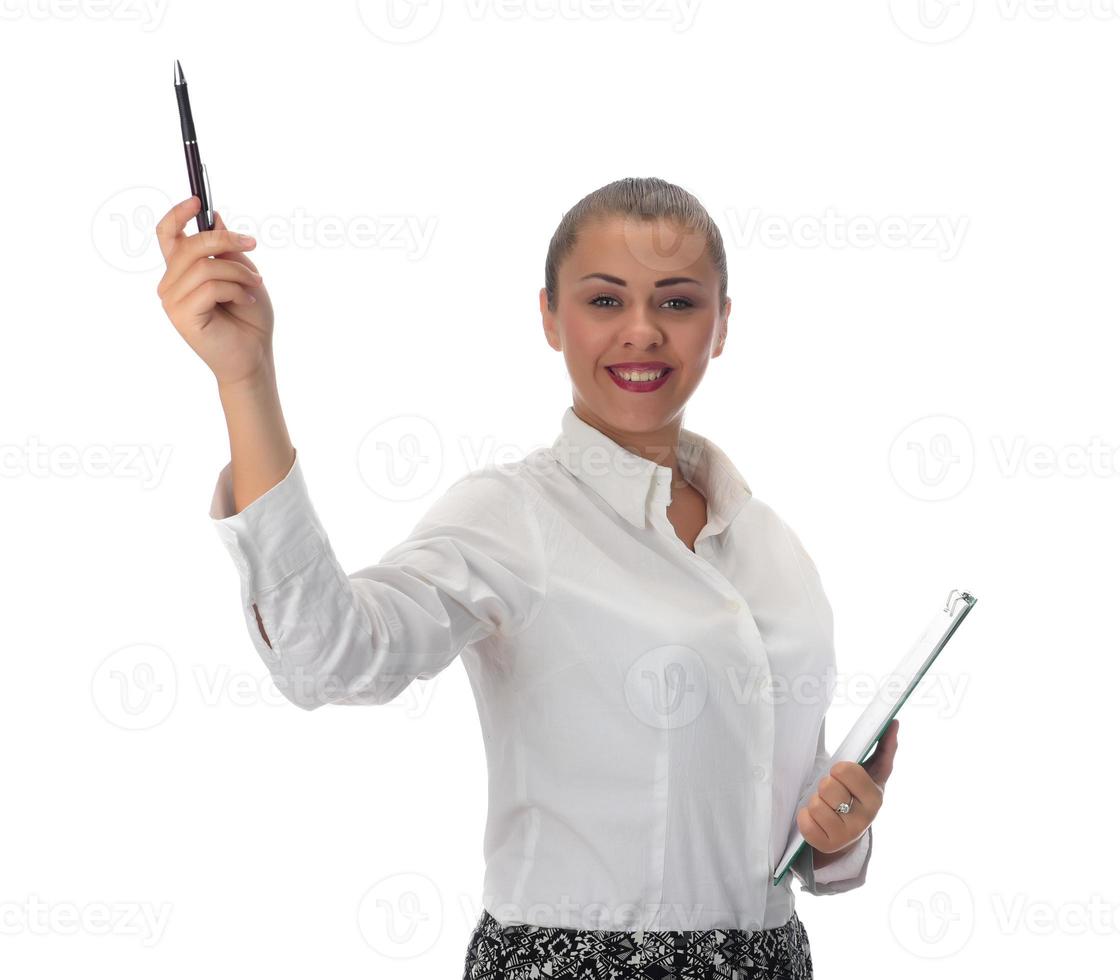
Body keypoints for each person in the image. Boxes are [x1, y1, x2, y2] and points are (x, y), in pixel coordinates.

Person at [154, 176, 899, 979]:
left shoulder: (769, 544)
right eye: (605, 302)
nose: (642, 332)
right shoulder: (513, 515)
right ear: (550, 316)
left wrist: (837, 829)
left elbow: (772, 818)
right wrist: (246, 378)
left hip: (775, 961)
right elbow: (327, 657)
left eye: (678, 303)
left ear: (722, 324)